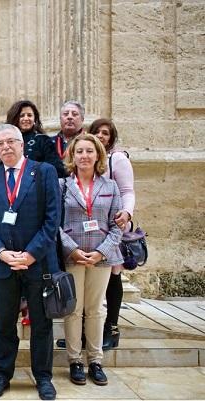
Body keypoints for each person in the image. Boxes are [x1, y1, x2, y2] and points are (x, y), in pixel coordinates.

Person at [0, 124, 60, 400]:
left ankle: (43, 377)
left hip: (37, 264)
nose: (5, 147)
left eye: (11, 141)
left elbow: (52, 220)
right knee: (3, 323)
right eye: (0, 144)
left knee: (41, 324)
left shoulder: (44, 172)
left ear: (21, 144)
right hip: (3, 264)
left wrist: (30, 254)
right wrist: (1, 252)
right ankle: (2, 373)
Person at [59, 134, 123, 387]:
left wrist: (101, 252)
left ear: (98, 155)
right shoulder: (62, 185)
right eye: (79, 151)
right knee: (74, 310)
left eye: (89, 151)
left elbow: (117, 227)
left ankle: (95, 360)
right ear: (72, 157)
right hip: (73, 257)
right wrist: (72, 249)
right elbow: (55, 224)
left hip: (101, 258)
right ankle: (75, 360)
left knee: (96, 310)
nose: (84, 155)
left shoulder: (110, 187)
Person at [91, 119, 135, 350]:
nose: (100, 136)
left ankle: (112, 328)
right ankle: (87, 333)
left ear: (111, 137)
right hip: (91, 228)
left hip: (113, 224)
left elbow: (128, 191)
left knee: (113, 277)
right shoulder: (88, 157)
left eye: (105, 133)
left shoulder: (116, 159)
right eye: (96, 132)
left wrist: (126, 213)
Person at [6, 100, 65, 177]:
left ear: (35, 119)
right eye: (22, 115)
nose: (26, 118)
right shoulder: (5, 142)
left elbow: (57, 169)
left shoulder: (44, 141)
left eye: (29, 115)